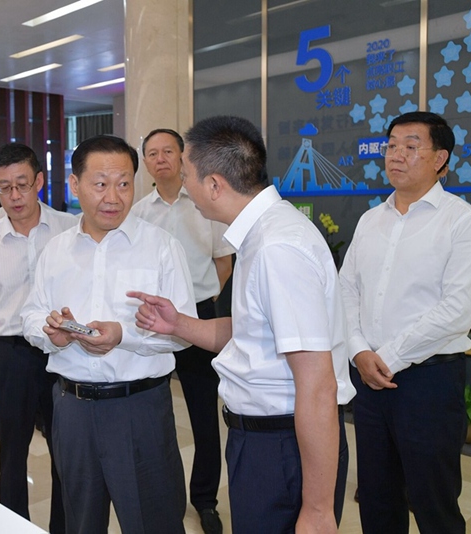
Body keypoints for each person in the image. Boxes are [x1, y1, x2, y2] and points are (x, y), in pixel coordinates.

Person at [130, 116, 356, 533]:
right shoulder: (261, 235)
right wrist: (178, 323)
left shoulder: (277, 248)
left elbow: (318, 384)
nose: (185, 185)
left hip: (283, 446)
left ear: (215, 184)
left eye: (188, 175)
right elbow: (256, 332)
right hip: (265, 441)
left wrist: (318, 509)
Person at [21, 135, 196, 534]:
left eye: (124, 183)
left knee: (154, 522)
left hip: (140, 409)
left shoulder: (161, 247)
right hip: (73, 410)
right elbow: (30, 314)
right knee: (80, 521)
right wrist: (52, 334)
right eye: (100, 184)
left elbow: (184, 331)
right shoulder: (56, 250)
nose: (113, 197)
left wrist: (124, 335)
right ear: (74, 184)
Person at [339, 111, 471, 534]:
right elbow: (345, 290)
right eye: (391, 145)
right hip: (369, 380)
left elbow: (458, 309)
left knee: (433, 501)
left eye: (410, 146)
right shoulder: (371, 220)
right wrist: (359, 350)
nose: (396, 155)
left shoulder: (463, 222)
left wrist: (386, 357)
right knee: (376, 497)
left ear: (440, 158)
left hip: (428, 383)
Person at [0, 143, 76, 533]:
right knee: (11, 454)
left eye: (22, 184)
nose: (15, 196)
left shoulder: (69, 228)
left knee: (65, 453)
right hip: (8, 355)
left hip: (61, 352)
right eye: (5, 187)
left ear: (39, 181)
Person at [132, 128, 233, 534]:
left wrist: (202, 306)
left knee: (204, 415)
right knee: (154, 413)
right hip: (153, 321)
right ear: (145, 162)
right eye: (152, 153)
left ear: (181, 156)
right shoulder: (138, 212)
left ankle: (205, 500)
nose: (160, 159)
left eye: (168, 151)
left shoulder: (204, 204)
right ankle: (164, 495)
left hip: (199, 318)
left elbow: (223, 263)